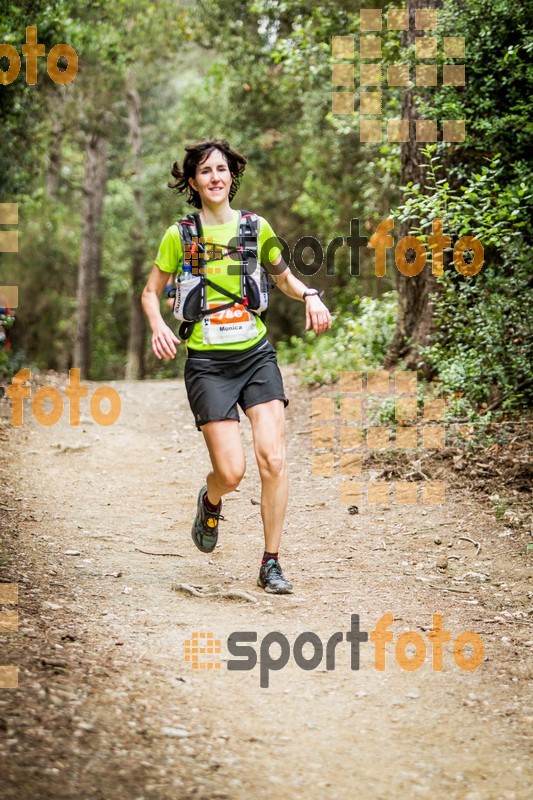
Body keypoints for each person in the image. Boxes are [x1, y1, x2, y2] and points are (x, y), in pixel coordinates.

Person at [142, 139, 331, 594]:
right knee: (231, 472)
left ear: (232, 176)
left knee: (274, 458)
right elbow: (151, 292)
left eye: (221, 170)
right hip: (207, 363)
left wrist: (309, 293)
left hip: (255, 356)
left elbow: (282, 278)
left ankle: (271, 562)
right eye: (205, 171)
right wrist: (157, 327)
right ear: (192, 181)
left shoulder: (255, 228)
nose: (215, 177)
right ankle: (210, 501)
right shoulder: (179, 236)